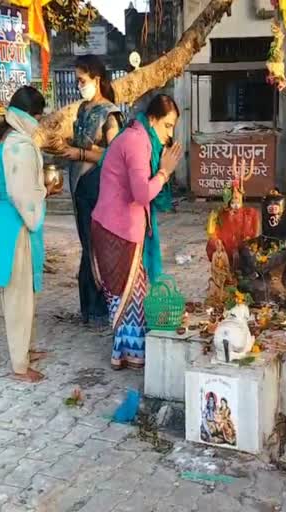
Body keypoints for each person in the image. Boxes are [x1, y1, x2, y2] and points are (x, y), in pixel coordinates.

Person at [90, 94, 183, 370]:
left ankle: (129, 354)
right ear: (152, 119)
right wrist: (165, 172)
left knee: (135, 297)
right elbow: (142, 194)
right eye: (167, 126)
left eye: (173, 127)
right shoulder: (135, 141)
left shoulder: (141, 138)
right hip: (117, 231)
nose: (170, 134)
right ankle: (126, 355)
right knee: (127, 298)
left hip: (124, 229)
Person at [0, 86, 48, 383]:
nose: (39, 123)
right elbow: (23, 194)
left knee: (22, 292)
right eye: (39, 117)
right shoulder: (20, 144)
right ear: (30, 115)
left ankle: (26, 349)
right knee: (19, 296)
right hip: (18, 225)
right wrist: (42, 197)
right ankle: (20, 364)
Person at [59, 55, 122, 330]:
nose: (79, 86)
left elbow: (115, 155)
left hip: (97, 185)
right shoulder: (84, 109)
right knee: (86, 246)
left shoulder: (110, 113)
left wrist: (81, 152)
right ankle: (89, 309)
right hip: (79, 186)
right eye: (77, 81)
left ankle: (99, 310)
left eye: (82, 81)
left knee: (95, 247)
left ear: (97, 79)